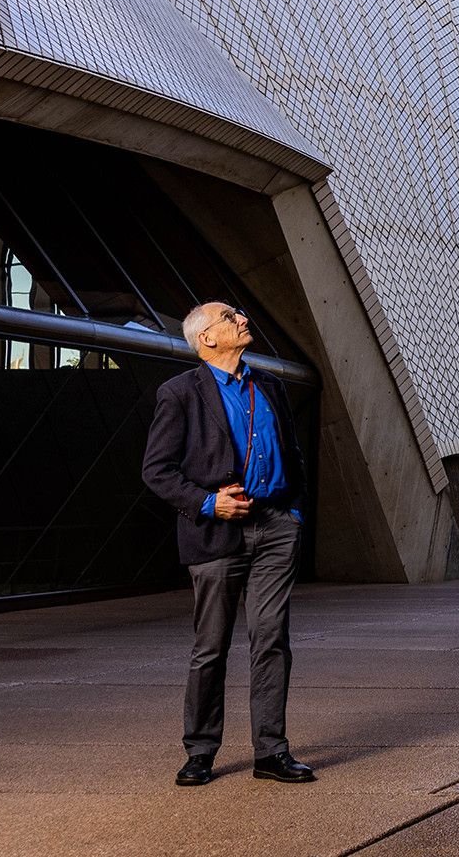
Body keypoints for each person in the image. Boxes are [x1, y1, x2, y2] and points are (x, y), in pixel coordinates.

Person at [143, 301, 315, 787]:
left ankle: (271, 753)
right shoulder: (179, 393)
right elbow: (157, 471)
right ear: (208, 339)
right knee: (210, 647)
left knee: (271, 640)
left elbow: (293, 455)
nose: (242, 319)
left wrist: (294, 513)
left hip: (276, 527)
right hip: (215, 532)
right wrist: (206, 503)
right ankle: (199, 752)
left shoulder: (271, 387)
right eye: (230, 316)